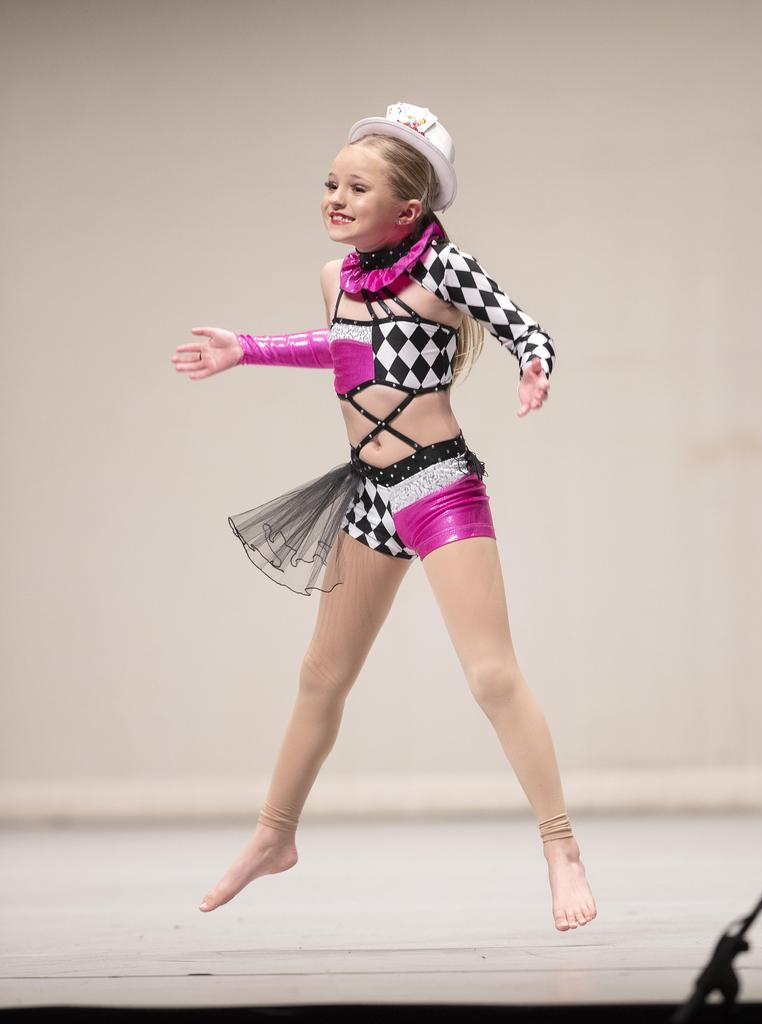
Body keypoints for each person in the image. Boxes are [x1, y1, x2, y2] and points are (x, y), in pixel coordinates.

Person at [171, 101, 597, 931]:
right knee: (321, 675)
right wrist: (246, 348)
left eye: (355, 188)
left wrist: (535, 369)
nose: (334, 197)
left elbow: (520, 324)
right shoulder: (336, 279)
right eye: (330, 182)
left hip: (437, 486)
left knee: (490, 674)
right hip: (367, 493)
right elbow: (344, 347)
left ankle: (560, 845)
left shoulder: (442, 269)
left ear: (407, 210)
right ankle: (274, 835)